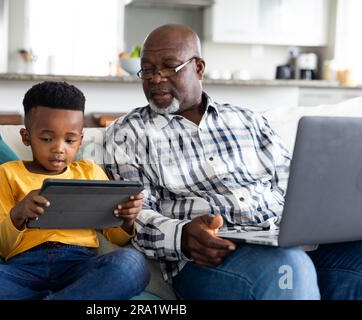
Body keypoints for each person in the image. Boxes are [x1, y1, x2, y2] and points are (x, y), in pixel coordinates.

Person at [105, 24, 362, 300]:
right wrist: (182, 236)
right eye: (148, 70)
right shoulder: (127, 133)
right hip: (210, 258)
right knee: (289, 269)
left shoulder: (248, 120)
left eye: (169, 67)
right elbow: (136, 213)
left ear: (199, 68)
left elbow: (294, 185)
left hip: (284, 239)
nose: (156, 79)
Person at [0, 81, 150, 300]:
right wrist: (19, 212)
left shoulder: (89, 171)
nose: (59, 148)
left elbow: (115, 237)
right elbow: (2, 247)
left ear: (80, 141)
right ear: (26, 137)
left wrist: (127, 220)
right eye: (47, 139)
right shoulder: (6, 173)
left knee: (132, 264)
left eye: (69, 140)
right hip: (23, 270)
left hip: (79, 268)